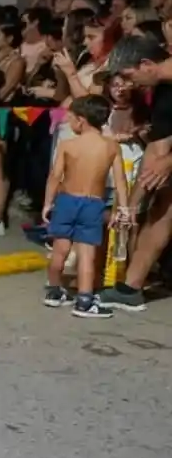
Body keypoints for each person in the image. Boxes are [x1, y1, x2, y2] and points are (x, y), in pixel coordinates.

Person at [100, 34, 172, 311]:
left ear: (146, 64)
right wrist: (129, 207)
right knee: (163, 205)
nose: (129, 85)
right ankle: (131, 288)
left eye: (130, 76)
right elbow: (157, 151)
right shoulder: (163, 92)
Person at [42, 95, 129, 318]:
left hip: (66, 201)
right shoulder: (111, 147)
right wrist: (124, 208)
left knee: (60, 250)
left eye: (70, 118)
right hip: (93, 203)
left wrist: (47, 203)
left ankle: (53, 291)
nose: (69, 123)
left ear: (81, 120)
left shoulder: (68, 145)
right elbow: (120, 181)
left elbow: (55, 176)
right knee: (87, 255)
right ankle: (84, 301)